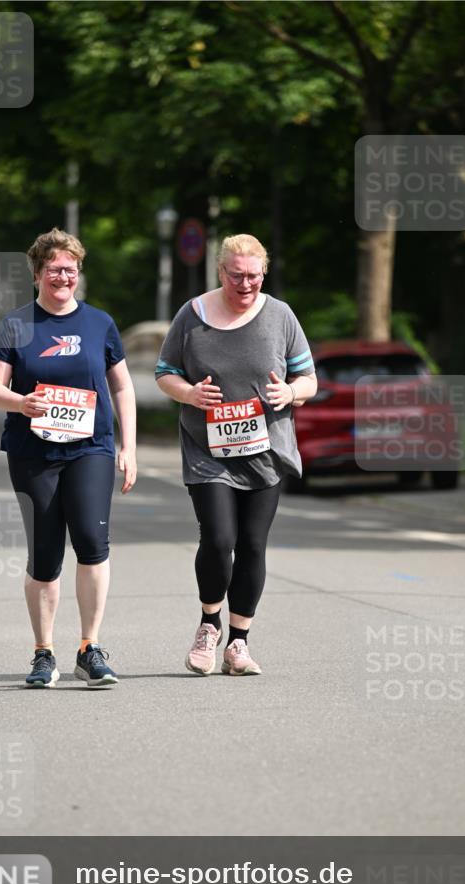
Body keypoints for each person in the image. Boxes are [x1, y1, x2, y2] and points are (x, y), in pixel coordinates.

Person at [155, 233, 317, 676]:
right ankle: (209, 625)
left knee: (251, 545)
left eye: (253, 276)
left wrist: (290, 391)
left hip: (265, 452)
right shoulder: (193, 315)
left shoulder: (280, 316)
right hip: (208, 451)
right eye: (236, 275)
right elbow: (164, 372)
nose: (245, 284)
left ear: (264, 273)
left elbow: (308, 378)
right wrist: (189, 393)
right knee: (219, 538)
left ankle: (239, 642)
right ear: (220, 272)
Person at [0, 227, 136, 688]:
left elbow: (122, 386)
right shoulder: (16, 324)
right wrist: (20, 403)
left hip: (90, 448)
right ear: (37, 274)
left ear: (79, 273)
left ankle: (90, 648)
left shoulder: (99, 324)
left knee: (92, 542)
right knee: (46, 554)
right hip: (34, 453)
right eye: (54, 268)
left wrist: (129, 447)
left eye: (70, 268)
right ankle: (43, 652)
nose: (63, 275)